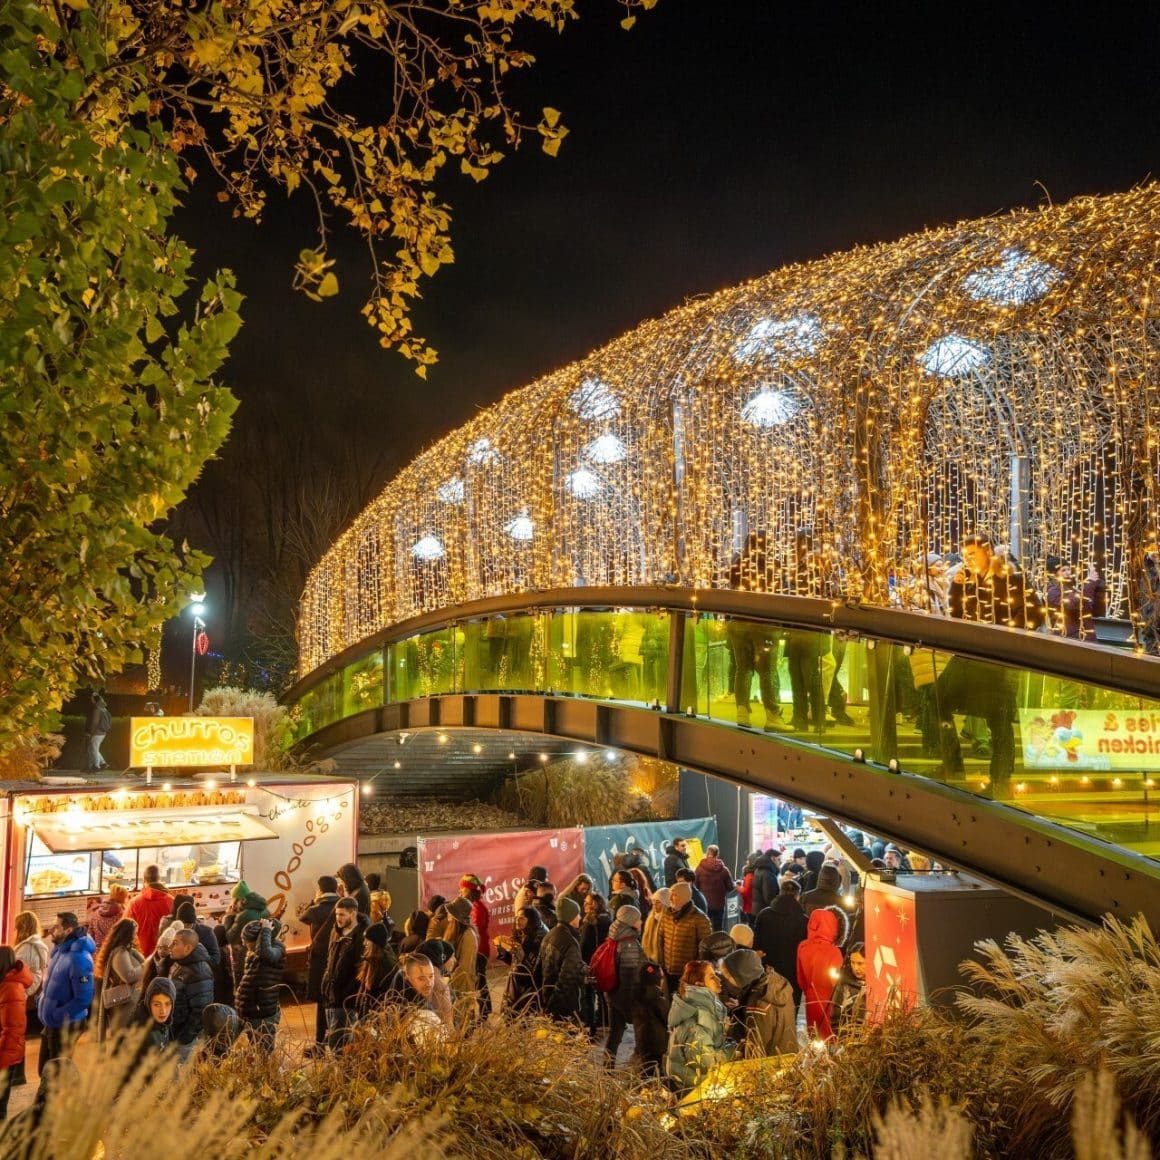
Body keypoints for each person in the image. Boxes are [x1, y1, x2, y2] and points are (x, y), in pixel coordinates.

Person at [939, 532, 1046, 796]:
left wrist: (1007, 639)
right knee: (937, 699)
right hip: (972, 656)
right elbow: (955, 615)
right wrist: (957, 587)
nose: (969, 560)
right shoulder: (969, 581)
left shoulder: (1010, 576)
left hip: (1001, 659)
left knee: (998, 719)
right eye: (965, 556)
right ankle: (954, 767)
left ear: (988, 552)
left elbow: (1035, 613)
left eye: (973, 555)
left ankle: (999, 780)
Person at [37, 913, 94, 1070]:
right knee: (45, 1069)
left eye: (56, 927)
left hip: (65, 1023)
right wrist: (41, 1000)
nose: (51, 930)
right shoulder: (60, 951)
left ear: (68, 930)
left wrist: (57, 1014)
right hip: (52, 1022)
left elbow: (84, 998)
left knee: (57, 1074)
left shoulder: (79, 958)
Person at [719, 948, 797, 1058]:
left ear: (742, 975)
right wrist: (743, 1007)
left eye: (728, 976)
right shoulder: (773, 983)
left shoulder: (758, 1004)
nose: (726, 980)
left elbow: (755, 1048)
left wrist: (729, 1029)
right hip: (786, 1053)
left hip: (771, 1064)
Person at [666, 959, 730, 1091]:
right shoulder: (695, 1023)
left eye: (716, 974)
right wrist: (734, 1050)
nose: (719, 980)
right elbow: (707, 1063)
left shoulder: (707, 1008)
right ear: (699, 984)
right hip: (694, 1088)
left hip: (702, 1082)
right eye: (712, 977)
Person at [753, 876, 809, 1010]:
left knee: (767, 1008)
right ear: (797, 896)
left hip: (769, 968)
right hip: (793, 971)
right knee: (790, 1008)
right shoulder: (803, 920)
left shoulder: (764, 915)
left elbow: (757, 944)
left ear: (780, 893)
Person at [299, 875, 340, 1049]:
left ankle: (320, 1042)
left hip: (320, 959)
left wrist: (312, 901)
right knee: (336, 1000)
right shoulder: (342, 905)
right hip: (337, 956)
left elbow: (302, 917)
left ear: (321, 890)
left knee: (322, 1002)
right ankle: (336, 1039)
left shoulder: (316, 909)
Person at [796, 905, 849, 1040]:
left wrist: (809, 990)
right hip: (829, 999)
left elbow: (800, 978)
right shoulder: (834, 951)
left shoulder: (803, 946)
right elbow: (837, 982)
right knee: (829, 1035)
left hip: (810, 997)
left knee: (814, 1033)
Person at [322, 897, 366, 1049]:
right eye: (336, 914)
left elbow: (360, 970)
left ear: (353, 914)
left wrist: (347, 993)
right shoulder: (336, 932)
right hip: (331, 997)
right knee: (333, 1041)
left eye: (342, 915)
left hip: (346, 1000)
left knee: (340, 1044)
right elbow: (330, 961)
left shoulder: (361, 937)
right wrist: (325, 985)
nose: (338, 918)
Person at [235, 919, 285, 1051]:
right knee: (255, 1047)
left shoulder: (276, 948)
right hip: (252, 1009)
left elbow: (265, 955)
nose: (244, 943)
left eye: (246, 940)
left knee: (264, 1049)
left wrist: (266, 930)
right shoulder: (253, 951)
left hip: (262, 1009)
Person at [92, 917, 144, 1044]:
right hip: (124, 1005)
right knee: (122, 1040)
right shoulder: (120, 954)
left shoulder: (125, 950)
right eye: (134, 932)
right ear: (127, 934)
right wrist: (145, 966)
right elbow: (129, 975)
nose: (136, 936)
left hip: (126, 1004)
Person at [604, 905, 644, 1067]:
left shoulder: (614, 936)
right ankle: (642, 1065)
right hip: (625, 996)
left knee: (615, 1032)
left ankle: (607, 1067)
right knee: (641, 1030)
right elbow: (629, 976)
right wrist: (631, 1004)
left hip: (613, 992)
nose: (641, 922)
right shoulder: (629, 944)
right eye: (638, 919)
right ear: (630, 922)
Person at [657, 881, 712, 996]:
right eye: (670, 894)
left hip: (686, 973)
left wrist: (695, 972)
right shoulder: (666, 913)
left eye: (674, 895)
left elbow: (705, 948)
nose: (670, 898)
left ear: (684, 897)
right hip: (668, 970)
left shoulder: (699, 918)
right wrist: (661, 962)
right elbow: (660, 939)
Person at [167, 928, 214, 1062]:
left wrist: (184, 1039)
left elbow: (200, 1011)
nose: (170, 946)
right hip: (176, 1032)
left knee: (181, 1077)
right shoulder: (181, 964)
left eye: (175, 943)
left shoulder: (199, 971)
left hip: (185, 1040)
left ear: (187, 948)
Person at [539, 897, 584, 1022]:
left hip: (547, 996)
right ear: (570, 917)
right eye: (577, 914)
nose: (580, 917)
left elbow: (539, 969)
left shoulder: (549, 935)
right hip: (563, 1005)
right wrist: (552, 1008)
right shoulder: (570, 942)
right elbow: (566, 979)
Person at [0, 946, 33, 1118]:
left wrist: (3, 1058)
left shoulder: (11, 988)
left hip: (6, 1052)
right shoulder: (5, 983)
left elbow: (13, 1029)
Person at [496, 906, 546, 1016]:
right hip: (515, 986)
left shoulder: (538, 938)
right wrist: (503, 951)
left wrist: (521, 955)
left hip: (528, 992)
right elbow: (514, 963)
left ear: (532, 920)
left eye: (522, 918)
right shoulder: (522, 934)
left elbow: (533, 972)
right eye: (517, 917)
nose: (518, 921)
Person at [459, 874, 492, 1020]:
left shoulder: (477, 908)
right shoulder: (474, 906)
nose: (460, 891)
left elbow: (475, 930)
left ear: (470, 890)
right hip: (478, 947)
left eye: (463, 888)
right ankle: (485, 1009)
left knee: (479, 979)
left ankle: (484, 1011)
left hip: (479, 949)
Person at [579, 892, 612, 1035]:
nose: (584, 905)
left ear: (594, 905)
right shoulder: (608, 919)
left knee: (588, 994)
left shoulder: (589, 922)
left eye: (587, 902)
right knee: (603, 992)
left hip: (591, 962)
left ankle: (591, 1025)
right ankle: (607, 1020)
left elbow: (584, 945)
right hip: (604, 961)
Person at [442, 897, 480, 1022]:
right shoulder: (453, 931)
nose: (447, 913)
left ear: (455, 916)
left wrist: (448, 983)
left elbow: (465, 967)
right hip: (452, 986)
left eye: (450, 912)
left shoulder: (469, 935)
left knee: (459, 1023)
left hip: (461, 988)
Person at [351, 921, 397, 1021]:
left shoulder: (385, 964)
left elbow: (384, 994)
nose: (364, 943)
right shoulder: (371, 960)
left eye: (367, 940)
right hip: (368, 1016)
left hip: (377, 1018)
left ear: (375, 942)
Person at [632, 961, 670, 1078]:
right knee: (655, 1071)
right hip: (657, 1043)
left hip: (643, 1041)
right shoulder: (658, 999)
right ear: (658, 980)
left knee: (646, 1068)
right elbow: (667, 1019)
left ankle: (643, 1089)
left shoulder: (637, 995)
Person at [126, 865, 172, 958]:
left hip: (141, 955)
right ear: (159, 878)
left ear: (144, 880)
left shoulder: (134, 903)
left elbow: (125, 930)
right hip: (165, 954)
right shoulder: (172, 901)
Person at [131, 977, 177, 1063]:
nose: (163, 1011)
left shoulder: (165, 1022)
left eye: (167, 1004)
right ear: (148, 1003)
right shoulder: (138, 1032)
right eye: (157, 1004)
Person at [694, 845, 735, 932]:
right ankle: (718, 945)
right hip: (719, 904)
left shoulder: (699, 869)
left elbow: (694, 886)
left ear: (707, 853)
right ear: (717, 854)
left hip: (704, 904)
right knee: (718, 929)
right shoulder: (724, 870)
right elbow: (730, 887)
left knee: (705, 928)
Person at [830, 941, 867, 1033]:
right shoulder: (845, 983)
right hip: (851, 1040)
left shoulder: (877, 984)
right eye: (852, 963)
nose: (855, 968)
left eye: (860, 963)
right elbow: (835, 1018)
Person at [86, 885, 128, 952]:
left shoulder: (97, 912)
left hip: (98, 952)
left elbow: (90, 934)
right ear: (122, 898)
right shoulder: (122, 915)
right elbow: (125, 937)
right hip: (114, 953)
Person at [85, 691, 112, 773]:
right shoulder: (104, 709)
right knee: (94, 749)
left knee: (94, 749)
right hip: (103, 732)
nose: (91, 700)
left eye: (92, 699)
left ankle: (96, 766)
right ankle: (103, 763)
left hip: (97, 732)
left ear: (95, 700)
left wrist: (91, 732)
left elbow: (95, 722)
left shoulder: (97, 709)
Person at [749, 849, 781, 917]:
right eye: (778, 859)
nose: (780, 862)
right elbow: (769, 897)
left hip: (757, 910)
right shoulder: (768, 874)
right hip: (765, 913)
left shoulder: (759, 869)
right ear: (773, 858)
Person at [641, 886, 669, 963]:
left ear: (667, 903)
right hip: (651, 960)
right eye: (654, 902)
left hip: (665, 962)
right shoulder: (650, 919)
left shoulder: (669, 922)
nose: (655, 905)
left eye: (659, 902)